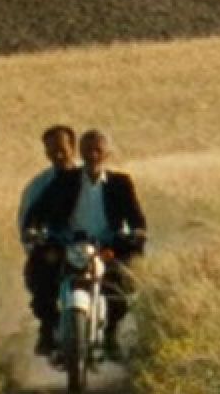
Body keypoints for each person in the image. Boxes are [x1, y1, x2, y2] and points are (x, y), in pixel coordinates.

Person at [28, 127, 148, 353]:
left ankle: (111, 332)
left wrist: (138, 231)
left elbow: (136, 216)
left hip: (106, 246)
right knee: (42, 272)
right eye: (88, 151)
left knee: (119, 283)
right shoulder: (65, 180)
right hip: (67, 244)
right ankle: (47, 329)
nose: (93, 155)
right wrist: (33, 229)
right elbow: (38, 210)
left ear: (107, 154)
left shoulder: (120, 183)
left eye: (98, 150)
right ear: (80, 153)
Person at [18, 124, 78, 350]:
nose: (58, 155)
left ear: (73, 147)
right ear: (46, 153)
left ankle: (116, 333)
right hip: (56, 248)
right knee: (40, 276)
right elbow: (26, 221)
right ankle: (47, 328)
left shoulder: (91, 179)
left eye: (62, 149)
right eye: (52, 151)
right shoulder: (38, 187)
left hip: (92, 246)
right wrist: (33, 243)